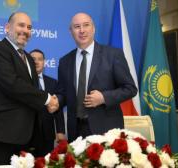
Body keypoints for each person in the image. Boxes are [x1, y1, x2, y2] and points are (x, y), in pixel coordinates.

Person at [0, 12, 59, 165]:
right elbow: (12, 84)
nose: (26, 30)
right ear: (7, 27)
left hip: (23, 135)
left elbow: (29, 92)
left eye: (29, 27)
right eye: (21, 25)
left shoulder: (27, 57)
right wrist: (47, 99)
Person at [56, 13, 137, 142]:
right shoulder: (65, 61)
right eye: (77, 27)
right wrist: (54, 101)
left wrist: (104, 97)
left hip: (106, 130)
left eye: (86, 25)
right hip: (75, 131)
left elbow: (130, 89)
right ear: (71, 31)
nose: (82, 30)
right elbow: (63, 94)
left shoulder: (113, 55)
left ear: (93, 28)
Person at [30, 49, 66, 156]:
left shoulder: (53, 82)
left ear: (44, 63)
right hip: (27, 135)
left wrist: (60, 131)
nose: (36, 62)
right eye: (33, 59)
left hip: (47, 135)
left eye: (40, 59)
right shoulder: (22, 82)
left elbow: (57, 107)